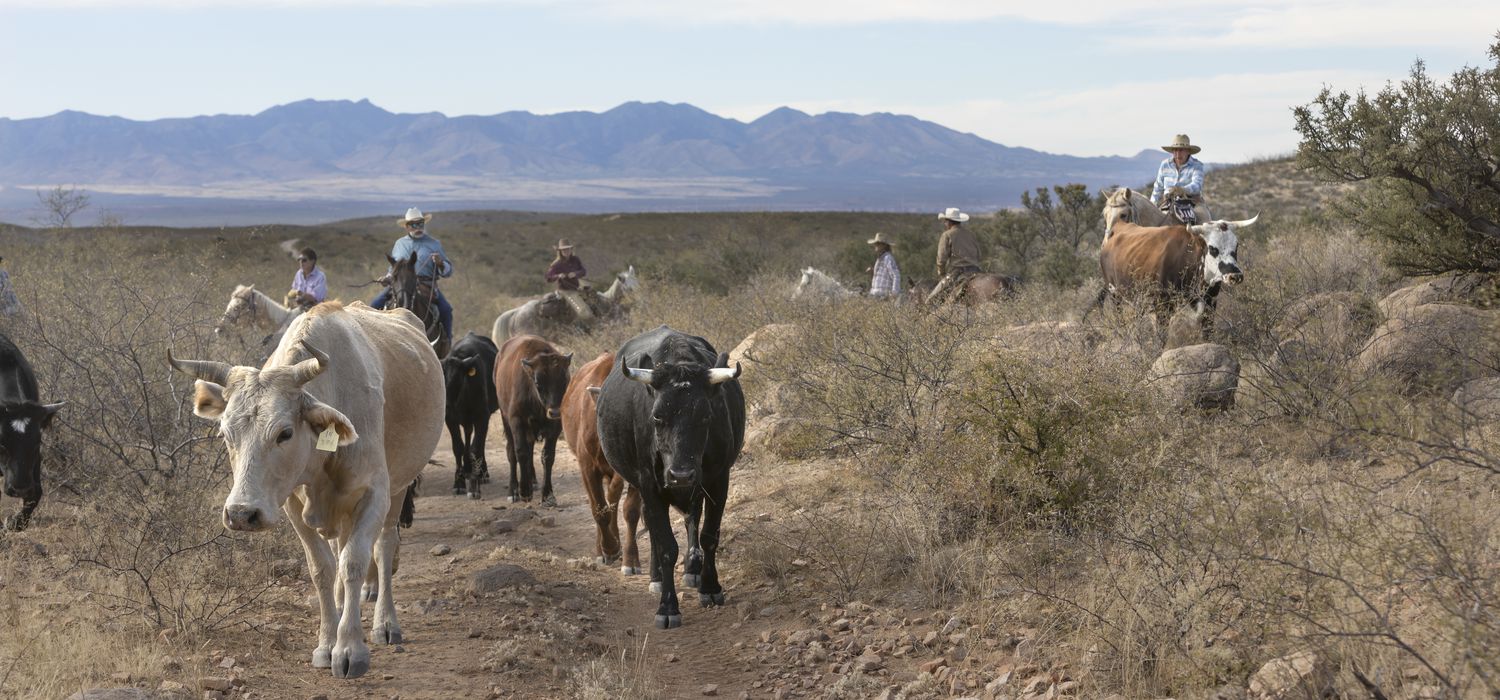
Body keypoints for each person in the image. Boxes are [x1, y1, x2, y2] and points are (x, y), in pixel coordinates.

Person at [370, 207, 454, 344]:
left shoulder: (434, 244)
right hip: (400, 284)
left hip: (426, 284)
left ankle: (447, 343)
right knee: (375, 304)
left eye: (420, 223)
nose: (418, 227)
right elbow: (393, 269)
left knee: (446, 310)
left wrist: (440, 263)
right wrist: (387, 278)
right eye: (414, 225)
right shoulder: (399, 244)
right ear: (407, 227)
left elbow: (449, 270)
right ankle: (374, 341)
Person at [925, 208, 982, 305]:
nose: (944, 224)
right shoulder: (971, 234)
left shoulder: (947, 235)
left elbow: (941, 258)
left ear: (949, 222)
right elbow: (979, 254)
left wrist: (941, 273)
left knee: (930, 300)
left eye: (945, 221)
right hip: (976, 270)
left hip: (957, 272)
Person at [1150, 134, 1210, 224]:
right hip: (1168, 203)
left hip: (1193, 203)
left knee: (1204, 222)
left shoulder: (1197, 165)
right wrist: (1152, 205)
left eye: (1181, 150)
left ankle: (1205, 237)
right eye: (1175, 150)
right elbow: (1158, 187)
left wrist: (1183, 190)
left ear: (1188, 151)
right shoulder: (1165, 165)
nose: (1178, 154)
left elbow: (1197, 185)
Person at [544, 238, 594, 319]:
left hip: (577, 288)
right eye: (563, 250)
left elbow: (583, 271)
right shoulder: (557, 264)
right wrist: (558, 276)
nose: (566, 251)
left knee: (595, 302)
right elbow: (548, 277)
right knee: (584, 311)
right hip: (566, 291)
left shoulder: (575, 259)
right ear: (560, 251)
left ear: (571, 249)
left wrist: (575, 274)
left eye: (567, 249)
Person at [866, 232, 902, 299]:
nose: (875, 245)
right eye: (876, 243)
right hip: (876, 294)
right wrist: (872, 273)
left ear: (884, 245)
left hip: (882, 296)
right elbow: (881, 277)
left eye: (878, 244)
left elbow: (896, 275)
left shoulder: (888, 258)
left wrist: (894, 292)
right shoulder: (880, 258)